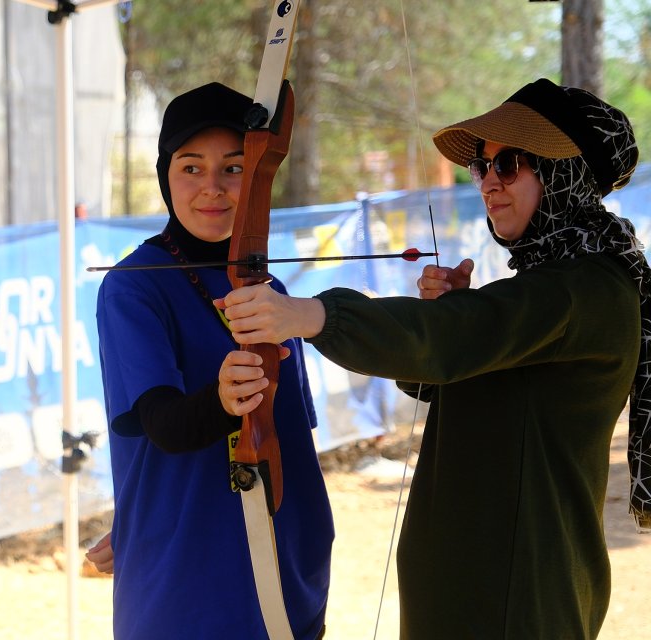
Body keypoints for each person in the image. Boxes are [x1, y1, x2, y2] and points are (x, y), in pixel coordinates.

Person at [221, 77, 646, 639]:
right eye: (481, 166)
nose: (489, 181)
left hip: (513, 598)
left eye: (511, 163)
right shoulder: (554, 283)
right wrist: (449, 321)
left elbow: (455, 338)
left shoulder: (582, 288)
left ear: (564, 173)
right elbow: (463, 361)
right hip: (481, 588)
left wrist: (310, 316)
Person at [95, 82, 333, 639]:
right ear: (165, 176)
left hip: (285, 576)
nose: (213, 189)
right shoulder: (136, 287)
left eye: (233, 168)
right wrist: (224, 401)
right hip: (185, 585)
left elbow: (295, 438)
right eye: (191, 168)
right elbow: (164, 427)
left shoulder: (267, 289)